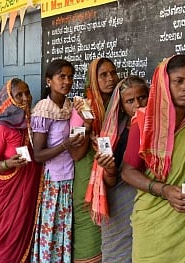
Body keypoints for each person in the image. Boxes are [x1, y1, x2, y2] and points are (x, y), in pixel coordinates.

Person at [122, 55, 185, 262]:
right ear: (165, 83)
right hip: (153, 223)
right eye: (179, 81)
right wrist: (164, 190)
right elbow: (128, 172)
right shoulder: (144, 123)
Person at [30, 59, 91, 262]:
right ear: (49, 81)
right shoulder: (43, 109)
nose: (66, 81)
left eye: (70, 77)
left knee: (64, 228)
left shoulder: (70, 105)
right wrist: (66, 145)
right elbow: (38, 155)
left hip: (69, 175)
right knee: (51, 229)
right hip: (52, 180)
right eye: (61, 77)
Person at [87, 76, 149, 262]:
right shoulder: (114, 132)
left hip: (148, 197)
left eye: (142, 97)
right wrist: (109, 169)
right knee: (116, 251)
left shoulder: (158, 129)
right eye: (130, 101)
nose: (137, 105)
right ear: (121, 106)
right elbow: (111, 180)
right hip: (119, 199)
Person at [0, 78, 42, 263]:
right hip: (10, 190)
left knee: (27, 229)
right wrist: (8, 164)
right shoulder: (1, 128)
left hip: (31, 188)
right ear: (9, 99)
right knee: (8, 233)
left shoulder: (34, 121)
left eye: (27, 93)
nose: (26, 98)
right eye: (19, 95)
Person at [73, 57, 119, 263]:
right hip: (86, 175)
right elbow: (76, 153)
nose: (110, 78)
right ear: (92, 79)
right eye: (103, 75)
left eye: (113, 73)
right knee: (88, 224)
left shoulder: (120, 104)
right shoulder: (83, 107)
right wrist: (89, 127)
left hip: (111, 174)